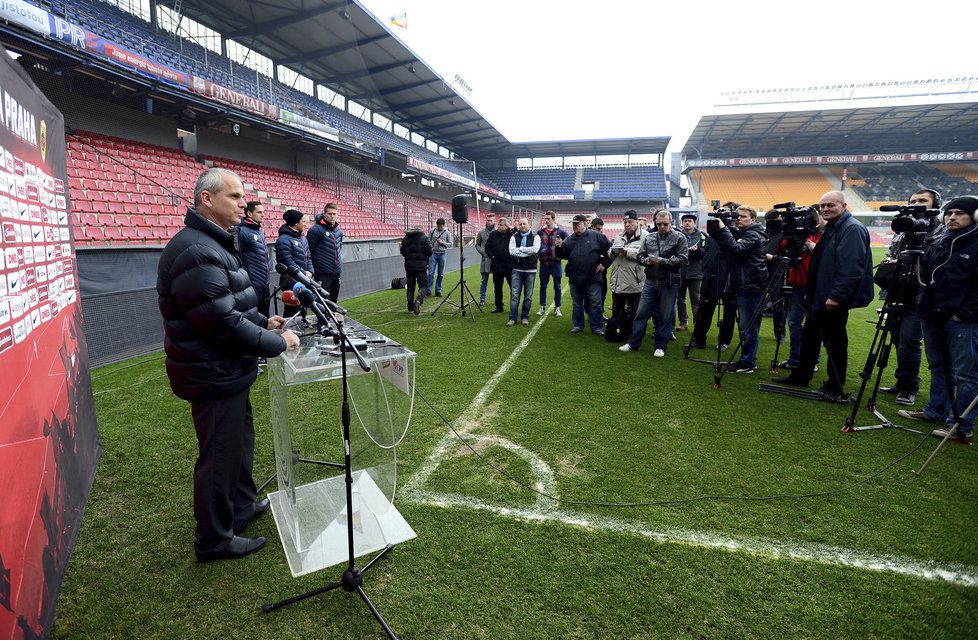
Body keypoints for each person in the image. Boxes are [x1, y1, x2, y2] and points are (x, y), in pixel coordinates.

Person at [157, 167, 300, 563]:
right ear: (207, 199)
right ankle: (214, 539)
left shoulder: (214, 243)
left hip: (228, 370)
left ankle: (240, 507)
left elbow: (233, 305)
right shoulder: (194, 249)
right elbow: (219, 321)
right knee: (220, 454)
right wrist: (277, 341)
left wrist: (263, 322)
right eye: (235, 197)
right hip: (211, 373)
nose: (244, 204)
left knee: (239, 444)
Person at [774, 191, 874, 399]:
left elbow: (851, 268)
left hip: (832, 297)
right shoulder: (833, 227)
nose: (826, 209)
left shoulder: (852, 228)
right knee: (810, 337)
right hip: (820, 295)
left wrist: (836, 296)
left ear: (844, 206)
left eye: (831, 205)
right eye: (823, 206)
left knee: (835, 342)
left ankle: (835, 385)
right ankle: (801, 375)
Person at [898, 196, 978, 443]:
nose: (952, 217)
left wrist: (963, 313)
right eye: (949, 213)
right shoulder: (941, 240)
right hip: (931, 312)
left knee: (967, 374)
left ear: (974, 217)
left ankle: (961, 424)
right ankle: (936, 410)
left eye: (959, 213)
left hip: (961, 319)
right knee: (939, 367)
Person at [879, 189, 944, 406]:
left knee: (909, 340)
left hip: (921, 294)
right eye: (913, 200)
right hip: (897, 290)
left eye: (922, 201)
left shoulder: (940, 230)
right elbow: (892, 253)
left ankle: (909, 387)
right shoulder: (904, 227)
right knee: (897, 337)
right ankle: (902, 380)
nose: (917, 204)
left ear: (935, 204)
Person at [708, 206, 768, 373]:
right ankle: (747, 360)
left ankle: (748, 362)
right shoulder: (744, 233)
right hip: (744, 284)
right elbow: (726, 242)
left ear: (753, 219)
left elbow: (736, 249)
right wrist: (718, 229)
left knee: (748, 326)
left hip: (751, 286)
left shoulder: (754, 234)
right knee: (746, 325)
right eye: (737, 216)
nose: (738, 219)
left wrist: (724, 229)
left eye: (743, 217)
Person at [620, 210, 688, 356]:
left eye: (665, 224)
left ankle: (660, 346)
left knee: (664, 315)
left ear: (671, 223)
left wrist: (662, 261)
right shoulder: (650, 237)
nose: (662, 227)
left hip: (668, 282)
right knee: (641, 313)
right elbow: (640, 256)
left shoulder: (679, 237)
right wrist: (648, 261)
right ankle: (633, 343)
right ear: (655, 223)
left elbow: (684, 259)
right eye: (659, 224)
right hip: (650, 280)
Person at [777, 210, 825, 371]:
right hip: (796, 282)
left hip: (814, 285)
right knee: (793, 322)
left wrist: (814, 248)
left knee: (813, 325)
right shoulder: (804, 233)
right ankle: (794, 358)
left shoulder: (827, 235)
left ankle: (812, 361)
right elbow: (784, 246)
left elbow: (829, 256)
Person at [691, 202, 738, 351]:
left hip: (728, 276)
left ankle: (724, 340)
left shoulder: (736, 232)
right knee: (704, 309)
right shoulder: (713, 233)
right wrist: (701, 254)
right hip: (710, 275)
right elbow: (707, 252)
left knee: (728, 311)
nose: (719, 217)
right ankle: (699, 339)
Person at [555, 214, 611, 335]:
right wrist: (559, 247)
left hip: (593, 276)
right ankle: (578, 325)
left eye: (577, 224)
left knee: (596, 302)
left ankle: (596, 326)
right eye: (573, 224)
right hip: (575, 277)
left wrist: (604, 264)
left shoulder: (597, 236)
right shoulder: (569, 239)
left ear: (585, 224)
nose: (575, 226)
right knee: (577, 303)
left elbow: (610, 251)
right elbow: (561, 255)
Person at [608, 210, 647, 337]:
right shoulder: (619, 236)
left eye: (630, 221)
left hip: (634, 281)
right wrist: (613, 252)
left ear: (637, 222)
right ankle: (618, 331)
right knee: (617, 310)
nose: (627, 224)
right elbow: (610, 254)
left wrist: (627, 252)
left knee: (635, 311)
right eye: (625, 222)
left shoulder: (645, 236)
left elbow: (645, 256)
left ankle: (634, 334)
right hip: (618, 280)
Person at [274, 209, 312, 318]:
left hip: (304, 279)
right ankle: (287, 333)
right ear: (296, 223)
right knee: (292, 311)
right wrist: (304, 272)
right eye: (303, 221)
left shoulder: (302, 238)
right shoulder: (283, 240)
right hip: (291, 282)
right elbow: (286, 262)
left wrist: (310, 271)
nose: (305, 224)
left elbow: (308, 257)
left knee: (303, 310)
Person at [237, 200, 271, 318]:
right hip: (252, 283)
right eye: (259, 212)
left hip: (264, 282)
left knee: (265, 316)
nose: (263, 214)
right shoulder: (241, 232)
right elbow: (238, 258)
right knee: (252, 316)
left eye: (263, 212)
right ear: (249, 214)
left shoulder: (259, 231)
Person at [306, 203, 344, 304]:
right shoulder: (315, 230)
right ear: (324, 214)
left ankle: (331, 319)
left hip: (336, 272)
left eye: (334, 214)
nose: (332, 216)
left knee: (333, 301)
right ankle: (322, 320)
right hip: (323, 273)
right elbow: (309, 251)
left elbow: (339, 248)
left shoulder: (339, 231)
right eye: (330, 213)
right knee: (322, 301)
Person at [508, 217, 541, 326]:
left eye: (524, 224)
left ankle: (525, 317)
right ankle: (512, 318)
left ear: (529, 224)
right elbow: (512, 251)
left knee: (528, 296)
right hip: (517, 270)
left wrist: (521, 249)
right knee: (515, 296)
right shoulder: (514, 237)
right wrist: (527, 252)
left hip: (530, 270)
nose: (522, 226)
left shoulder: (536, 237)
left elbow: (535, 249)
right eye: (520, 224)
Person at [677, 213, 706, 332]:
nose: (687, 223)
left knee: (696, 300)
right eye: (685, 221)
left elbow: (706, 253)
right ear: (682, 223)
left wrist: (698, 250)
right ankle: (683, 322)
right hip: (680, 273)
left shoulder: (702, 236)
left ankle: (697, 323)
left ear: (694, 223)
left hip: (696, 273)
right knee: (680, 299)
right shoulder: (677, 236)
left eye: (689, 221)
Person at [537, 211, 567, 317]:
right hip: (544, 264)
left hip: (556, 264)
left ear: (554, 219)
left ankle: (557, 308)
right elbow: (536, 245)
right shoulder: (540, 232)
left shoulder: (561, 232)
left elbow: (568, 245)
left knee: (557, 286)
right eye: (545, 219)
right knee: (543, 286)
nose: (546, 221)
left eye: (548, 219)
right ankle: (542, 307)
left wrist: (562, 251)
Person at [400, 225, 433, 315]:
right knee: (423, 285)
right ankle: (418, 301)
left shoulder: (405, 239)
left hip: (409, 266)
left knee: (410, 287)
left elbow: (402, 252)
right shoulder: (424, 238)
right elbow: (430, 252)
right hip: (421, 266)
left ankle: (410, 307)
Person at [485, 217, 514, 313]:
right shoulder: (493, 234)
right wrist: (492, 256)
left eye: (501, 225)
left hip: (509, 265)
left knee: (513, 287)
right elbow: (487, 247)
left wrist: (513, 228)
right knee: (497, 287)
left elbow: (518, 236)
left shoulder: (512, 234)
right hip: (496, 265)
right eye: (499, 224)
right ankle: (499, 306)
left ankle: (513, 306)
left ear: (506, 226)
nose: (499, 227)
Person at [426, 218, 453, 297]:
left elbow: (450, 244)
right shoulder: (432, 231)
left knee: (440, 274)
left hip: (442, 254)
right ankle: (428, 291)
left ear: (444, 225)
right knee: (431, 273)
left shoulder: (447, 233)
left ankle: (438, 290)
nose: (440, 228)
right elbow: (428, 240)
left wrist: (442, 243)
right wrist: (430, 246)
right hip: (433, 254)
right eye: (438, 226)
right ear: (436, 225)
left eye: (441, 227)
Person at [475, 213, 496, 306]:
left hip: (496, 260)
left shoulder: (497, 232)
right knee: (484, 281)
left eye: (491, 220)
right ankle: (482, 298)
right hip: (485, 260)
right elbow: (477, 245)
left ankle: (498, 300)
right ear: (486, 221)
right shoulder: (481, 232)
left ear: (494, 221)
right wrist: (483, 253)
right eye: (488, 220)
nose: (490, 222)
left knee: (497, 281)